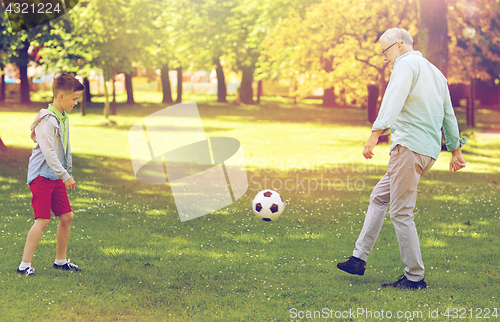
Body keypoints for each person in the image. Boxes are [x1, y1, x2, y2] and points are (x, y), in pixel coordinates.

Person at [337, 28, 467, 289]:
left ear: (398, 46)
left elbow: (392, 100)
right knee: (379, 197)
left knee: (401, 212)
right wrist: (455, 150)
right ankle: (358, 259)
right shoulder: (436, 73)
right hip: (427, 152)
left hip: (407, 149)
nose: (385, 58)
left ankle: (415, 276)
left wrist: (374, 135)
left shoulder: (405, 65)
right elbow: (448, 114)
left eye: (385, 52)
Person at [17, 73, 85, 276]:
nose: (76, 102)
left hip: (54, 176)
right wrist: (65, 175)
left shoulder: (63, 117)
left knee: (66, 216)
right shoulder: (48, 119)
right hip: (41, 176)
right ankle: (24, 266)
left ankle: (61, 261)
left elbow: (64, 147)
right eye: (74, 99)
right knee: (43, 219)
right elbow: (48, 152)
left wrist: (64, 173)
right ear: (61, 96)